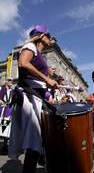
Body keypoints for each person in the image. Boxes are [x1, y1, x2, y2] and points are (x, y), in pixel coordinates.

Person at [8, 25, 59, 173]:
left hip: (35, 97)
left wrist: (49, 83)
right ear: (41, 36)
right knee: (34, 141)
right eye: (48, 35)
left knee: (36, 141)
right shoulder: (30, 46)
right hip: (29, 97)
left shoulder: (39, 54)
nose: (50, 38)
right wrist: (46, 78)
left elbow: (39, 79)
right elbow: (23, 63)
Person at [0, 77, 14, 151]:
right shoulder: (2, 89)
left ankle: (6, 145)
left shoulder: (13, 91)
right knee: (3, 127)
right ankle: (5, 144)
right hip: (3, 110)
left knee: (8, 127)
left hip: (10, 110)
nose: (11, 81)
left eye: (12, 80)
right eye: (9, 80)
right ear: (6, 81)